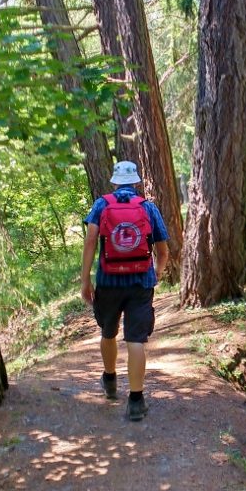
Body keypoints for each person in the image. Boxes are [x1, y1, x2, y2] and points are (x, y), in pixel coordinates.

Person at [81, 161, 170, 421]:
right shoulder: (148, 208)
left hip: (109, 282)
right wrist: (157, 273)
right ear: (136, 182)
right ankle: (136, 401)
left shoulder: (101, 205)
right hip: (141, 284)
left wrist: (85, 279)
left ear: (115, 181)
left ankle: (110, 379)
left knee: (108, 332)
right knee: (136, 340)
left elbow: (89, 241)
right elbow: (163, 251)